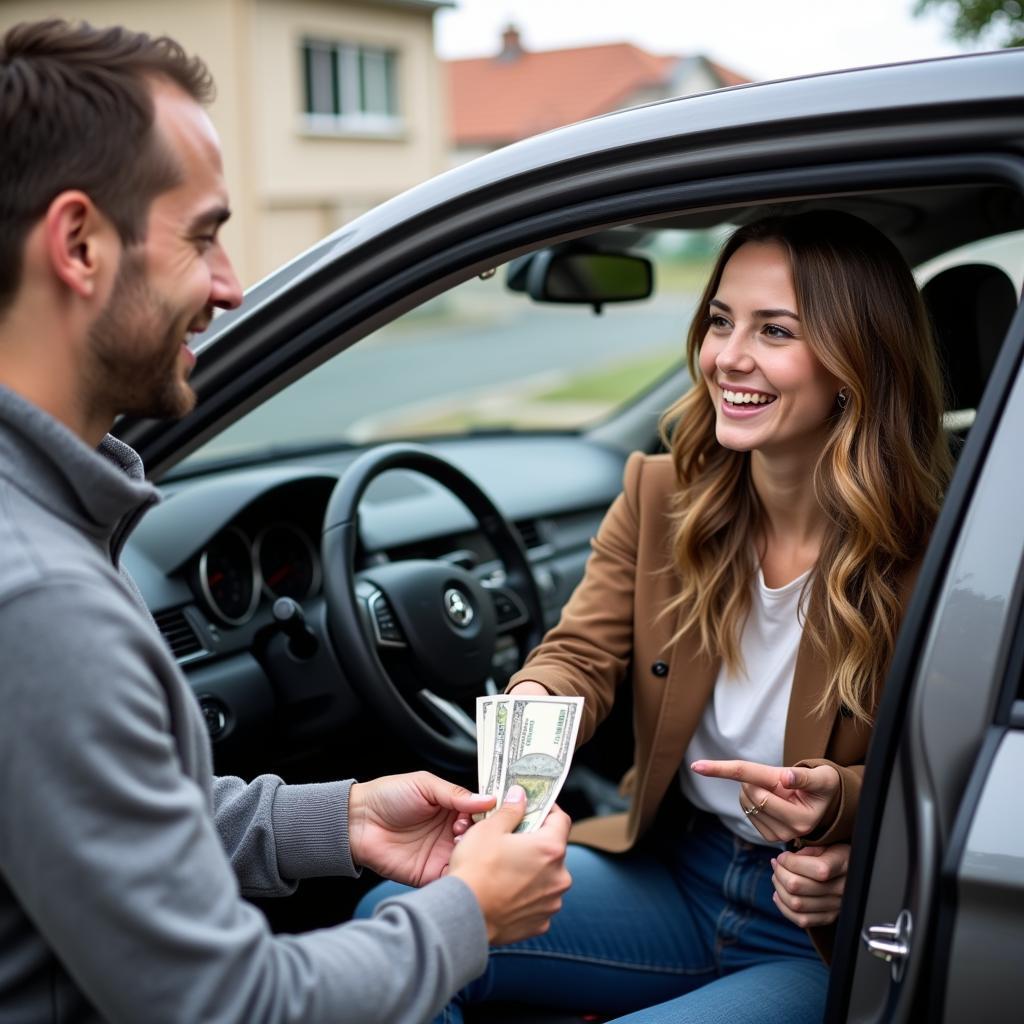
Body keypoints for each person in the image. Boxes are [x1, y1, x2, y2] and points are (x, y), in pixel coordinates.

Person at [0, 19, 571, 1024]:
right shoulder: (42, 603)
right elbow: (230, 1005)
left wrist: (338, 818)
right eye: (205, 234)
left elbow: (109, 829)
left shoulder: (43, 526)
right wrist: (469, 913)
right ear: (79, 243)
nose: (229, 287)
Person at [362, 209, 951, 1023]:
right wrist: (534, 715)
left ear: (854, 360)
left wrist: (845, 807)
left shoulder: (943, 545)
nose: (727, 358)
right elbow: (580, 651)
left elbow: (958, 764)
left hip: (813, 928)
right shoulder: (660, 494)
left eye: (774, 331)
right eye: (719, 321)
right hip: (674, 874)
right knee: (394, 929)